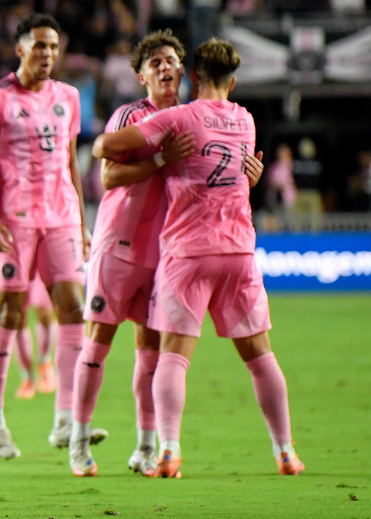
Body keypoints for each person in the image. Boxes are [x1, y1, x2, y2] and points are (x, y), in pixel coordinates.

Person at [92, 38, 303, 478]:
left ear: (194, 76)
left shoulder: (178, 117)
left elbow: (105, 148)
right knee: (261, 356)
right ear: (234, 80)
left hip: (188, 252)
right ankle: (285, 451)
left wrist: (157, 157)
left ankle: (168, 450)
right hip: (239, 251)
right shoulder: (246, 121)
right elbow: (236, 173)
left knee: (172, 355)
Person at [0, 13, 102, 459]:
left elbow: (70, 162)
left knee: (73, 311)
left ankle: (65, 419)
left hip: (60, 217)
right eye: (39, 46)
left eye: (53, 47)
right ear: (21, 49)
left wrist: (81, 221)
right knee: (9, 314)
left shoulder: (69, 97)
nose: (47, 54)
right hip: (15, 221)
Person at [67, 30, 198, 477]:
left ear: (182, 71)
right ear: (141, 76)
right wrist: (161, 161)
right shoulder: (130, 114)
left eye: (170, 60)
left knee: (151, 351)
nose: (164, 67)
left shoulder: (193, 118)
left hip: (165, 253)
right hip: (118, 246)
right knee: (98, 342)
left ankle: (145, 448)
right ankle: (79, 440)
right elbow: (107, 176)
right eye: (154, 62)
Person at [13, 277, 57, 399]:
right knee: (18, 319)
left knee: (45, 312)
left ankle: (45, 362)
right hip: (19, 263)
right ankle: (27, 376)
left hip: (40, 264)